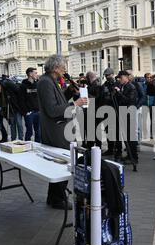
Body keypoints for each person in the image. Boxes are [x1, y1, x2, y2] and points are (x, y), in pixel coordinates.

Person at [37, 55, 87, 210]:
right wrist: (75, 104)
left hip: (58, 129)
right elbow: (52, 110)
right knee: (62, 163)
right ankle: (58, 199)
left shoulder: (50, 81)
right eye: (63, 66)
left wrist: (69, 93)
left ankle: (54, 197)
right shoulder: (45, 82)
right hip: (56, 130)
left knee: (59, 164)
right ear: (55, 68)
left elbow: (59, 102)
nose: (65, 69)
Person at [112, 70, 138, 164]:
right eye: (119, 78)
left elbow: (129, 100)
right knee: (126, 136)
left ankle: (134, 157)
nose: (119, 79)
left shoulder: (131, 87)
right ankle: (129, 155)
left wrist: (119, 93)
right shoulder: (123, 86)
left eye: (121, 77)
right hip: (123, 113)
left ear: (126, 77)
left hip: (129, 113)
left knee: (130, 137)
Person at [99, 68, 117, 156]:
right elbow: (101, 97)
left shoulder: (116, 84)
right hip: (106, 110)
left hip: (114, 110)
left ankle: (117, 149)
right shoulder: (104, 85)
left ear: (112, 74)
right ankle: (110, 149)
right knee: (108, 131)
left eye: (108, 75)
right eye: (106, 75)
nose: (107, 77)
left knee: (115, 131)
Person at [21, 67, 41, 143]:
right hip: (29, 113)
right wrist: (26, 112)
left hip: (38, 112)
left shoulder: (37, 84)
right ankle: (27, 148)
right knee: (29, 132)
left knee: (38, 132)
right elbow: (21, 100)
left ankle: (38, 148)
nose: (37, 74)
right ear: (30, 74)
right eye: (35, 73)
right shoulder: (23, 86)